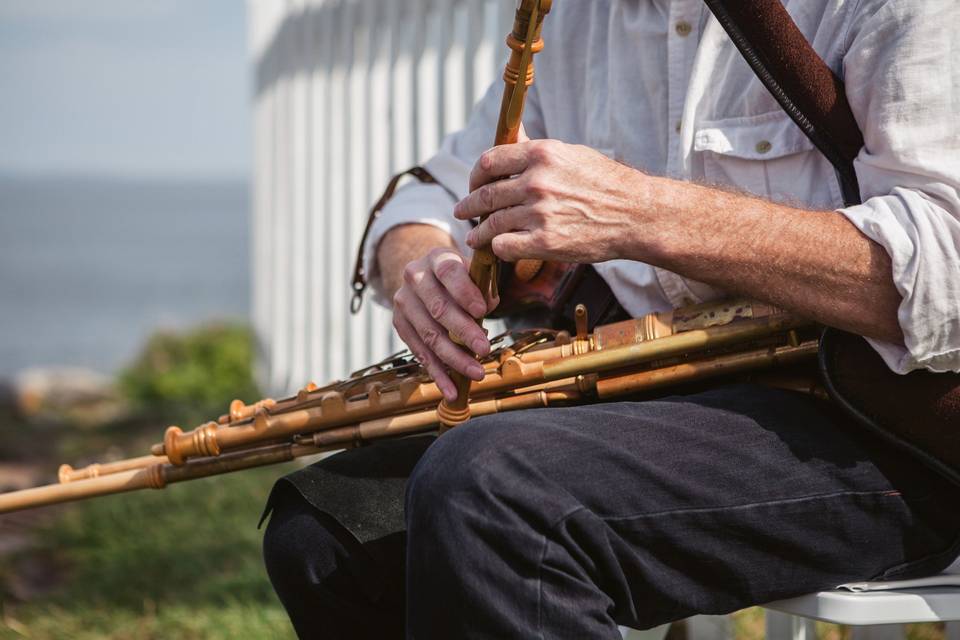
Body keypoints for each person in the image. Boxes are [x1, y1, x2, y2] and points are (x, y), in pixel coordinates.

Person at [261, 2, 960, 638]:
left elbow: (948, 265)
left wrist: (643, 215)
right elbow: (441, 187)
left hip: (888, 423)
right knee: (325, 531)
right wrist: (419, 259)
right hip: (687, 393)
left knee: (492, 492)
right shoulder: (578, 13)